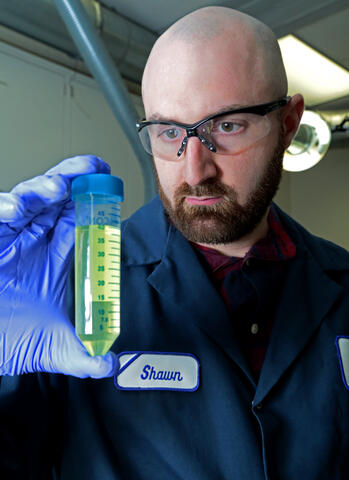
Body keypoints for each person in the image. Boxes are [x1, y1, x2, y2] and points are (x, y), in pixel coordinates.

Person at [1, 6, 349, 479]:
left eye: (226, 126)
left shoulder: (343, 285)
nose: (194, 171)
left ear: (288, 124)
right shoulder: (75, 289)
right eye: (169, 132)